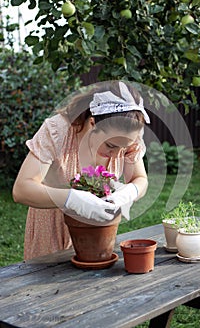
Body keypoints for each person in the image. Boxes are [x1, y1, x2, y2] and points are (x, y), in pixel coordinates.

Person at [13, 80, 150, 260]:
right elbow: (22, 189)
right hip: (53, 231)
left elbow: (140, 178)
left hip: (98, 235)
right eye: (110, 145)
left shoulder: (128, 137)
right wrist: (73, 199)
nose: (117, 155)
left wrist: (128, 192)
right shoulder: (58, 131)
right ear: (93, 123)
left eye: (123, 148)